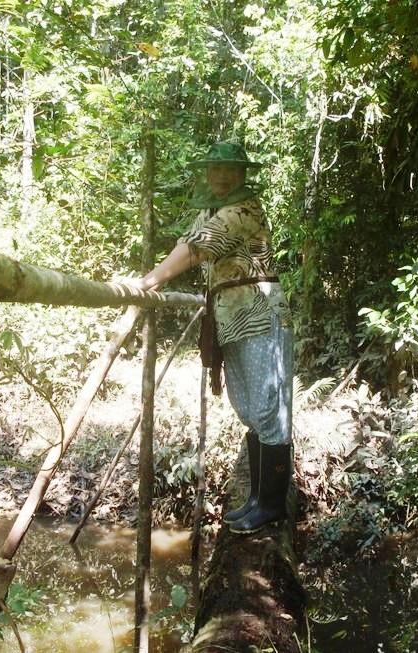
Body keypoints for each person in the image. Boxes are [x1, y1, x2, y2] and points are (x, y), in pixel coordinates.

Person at [130, 141, 293, 534]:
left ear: (242, 174)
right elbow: (185, 242)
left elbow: (198, 249)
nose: (221, 176)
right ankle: (256, 499)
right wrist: (153, 274)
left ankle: (271, 506)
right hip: (230, 319)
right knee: (249, 410)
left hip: (259, 314)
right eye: (215, 168)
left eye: (229, 170)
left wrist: (149, 281)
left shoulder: (243, 209)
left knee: (269, 409)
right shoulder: (210, 209)